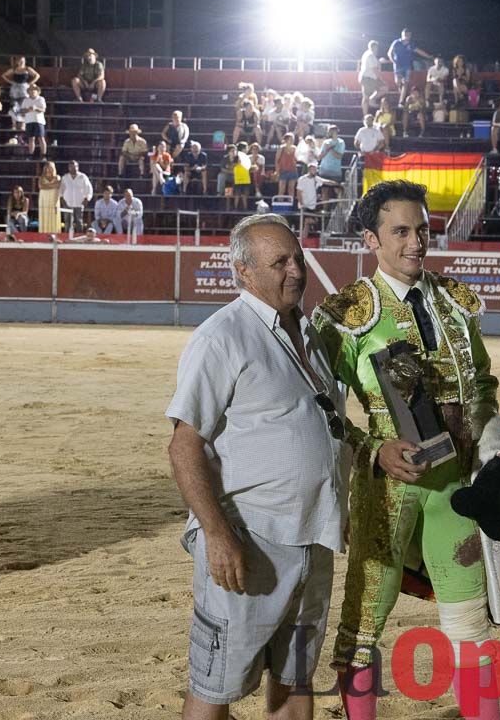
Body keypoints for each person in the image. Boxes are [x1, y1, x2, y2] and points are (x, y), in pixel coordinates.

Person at [312, 180, 500, 720]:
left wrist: (498, 455)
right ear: (372, 239)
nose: (416, 242)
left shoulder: (454, 303)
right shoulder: (348, 313)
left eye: (422, 229)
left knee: (469, 622)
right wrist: (373, 449)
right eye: (401, 231)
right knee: (365, 621)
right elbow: (318, 406)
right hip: (388, 488)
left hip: (455, 492)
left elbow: (480, 385)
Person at [166, 213, 347, 719]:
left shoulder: (310, 335)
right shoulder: (221, 336)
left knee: (296, 678)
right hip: (250, 540)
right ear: (244, 272)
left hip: (313, 535)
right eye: (279, 262)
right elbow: (184, 446)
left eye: (298, 258)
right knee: (216, 684)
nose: (295, 271)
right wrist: (218, 534)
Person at [386, 29, 432, 106]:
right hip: (398, 66)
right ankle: (403, 96)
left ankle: (401, 102)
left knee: (405, 83)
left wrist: (428, 56)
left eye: (410, 35)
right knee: (398, 82)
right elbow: (389, 53)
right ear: (403, 34)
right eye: (407, 34)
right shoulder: (396, 42)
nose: (408, 36)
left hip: (407, 67)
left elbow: (419, 51)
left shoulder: (411, 44)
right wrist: (393, 60)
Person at [2, 56, 41, 132]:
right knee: (14, 106)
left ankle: (23, 124)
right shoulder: (14, 69)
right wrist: (11, 82)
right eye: (20, 61)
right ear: (17, 62)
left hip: (24, 88)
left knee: (24, 106)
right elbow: (4, 75)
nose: (21, 62)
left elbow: (37, 75)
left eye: (22, 61)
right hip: (15, 88)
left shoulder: (27, 69)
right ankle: (13, 125)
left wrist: (30, 83)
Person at [60, 161, 93, 232]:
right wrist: (61, 198)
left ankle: (79, 238)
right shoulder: (65, 177)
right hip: (67, 203)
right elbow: (61, 189)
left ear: (78, 167)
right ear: (69, 168)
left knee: (79, 222)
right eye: (71, 167)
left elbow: (89, 189)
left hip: (79, 203)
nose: (73, 168)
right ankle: (66, 238)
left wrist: (87, 198)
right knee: (67, 222)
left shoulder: (83, 177)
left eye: (75, 166)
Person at [19, 84, 47, 158]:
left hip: (39, 121)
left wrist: (35, 108)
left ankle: (43, 155)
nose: (32, 91)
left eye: (34, 90)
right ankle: (31, 154)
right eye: (31, 90)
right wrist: (28, 110)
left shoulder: (41, 99)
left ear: (37, 91)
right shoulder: (26, 100)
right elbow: (22, 111)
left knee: (41, 138)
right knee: (31, 138)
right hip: (29, 121)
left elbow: (43, 109)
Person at [357, 40, 384, 113]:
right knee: (384, 88)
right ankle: (371, 100)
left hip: (365, 78)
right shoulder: (371, 55)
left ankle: (365, 115)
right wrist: (380, 79)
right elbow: (374, 69)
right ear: (374, 47)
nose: (377, 49)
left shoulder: (367, 54)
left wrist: (379, 62)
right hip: (369, 78)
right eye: (377, 47)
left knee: (365, 97)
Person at [37, 160, 62, 234]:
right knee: (44, 216)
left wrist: (46, 186)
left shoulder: (57, 177)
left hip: (53, 200)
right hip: (43, 200)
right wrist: (52, 186)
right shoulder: (41, 178)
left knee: (54, 217)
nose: (49, 169)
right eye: (47, 167)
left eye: (51, 167)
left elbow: (58, 185)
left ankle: (54, 235)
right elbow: (41, 186)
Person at [276, 134, 299, 198]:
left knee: (291, 189)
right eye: (290, 139)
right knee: (281, 190)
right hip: (283, 170)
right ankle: (280, 205)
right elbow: (277, 160)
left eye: (292, 139)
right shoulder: (281, 148)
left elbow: (297, 159)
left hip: (293, 170)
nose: (292, 141)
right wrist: (277, 171)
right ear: (286, 140)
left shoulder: (295, 148)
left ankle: (290, 205)